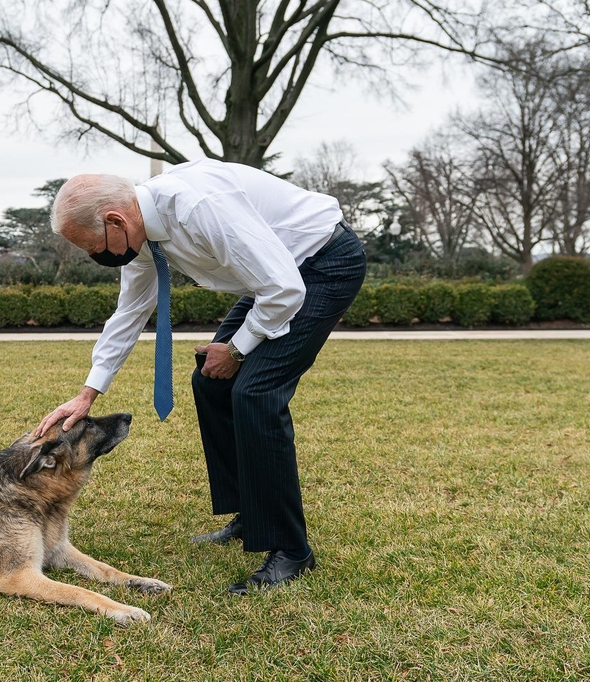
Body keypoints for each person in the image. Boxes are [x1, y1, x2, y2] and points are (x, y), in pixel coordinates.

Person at [34, 158, 366, 594]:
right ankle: (252, 513)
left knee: (255, 393)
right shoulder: (140, 236)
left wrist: (236, 349)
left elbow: (285, 289)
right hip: (274, 277)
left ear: (115, 220)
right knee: (212, 382)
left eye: (92, 247)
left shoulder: (198, 207)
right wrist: (87, 394)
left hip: (320, 266)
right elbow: (131, 311)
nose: (95, 256)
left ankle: (291, 550)